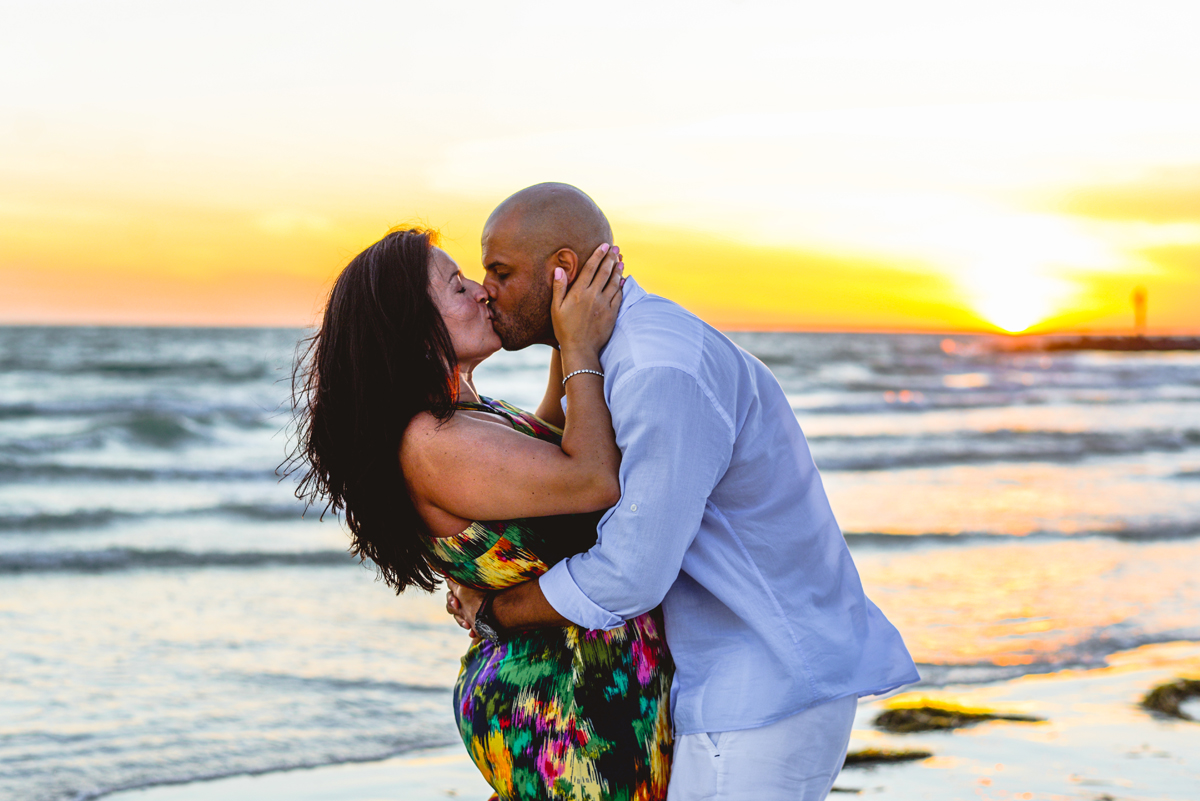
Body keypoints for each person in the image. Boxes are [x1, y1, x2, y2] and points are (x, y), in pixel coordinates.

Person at [446, 183, 921, 801]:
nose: (486, 289)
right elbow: (561, 455)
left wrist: (496, 611)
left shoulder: (654, 369)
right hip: (739, 685)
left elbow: (630, 571)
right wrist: (571, 346)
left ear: (561, 270)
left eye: (500, 271)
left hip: (759, 696)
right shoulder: (626, 354)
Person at [290, 228, 673, 800]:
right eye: (457, 285)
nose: (481, 292)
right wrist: (583, 351)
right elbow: (592, 479)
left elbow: (554, 436)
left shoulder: (464, 411)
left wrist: (559, 323)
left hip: (582, 689)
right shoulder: (430, 441)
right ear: (413, 328)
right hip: (560, 711)